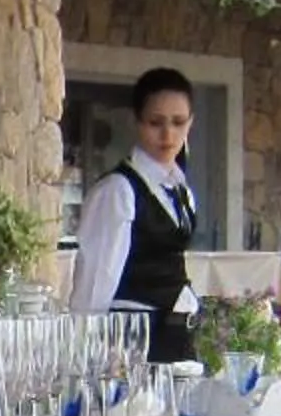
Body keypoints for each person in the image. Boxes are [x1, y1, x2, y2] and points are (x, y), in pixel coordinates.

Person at [68, 66, 202, 363]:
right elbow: (94, 284)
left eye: (178, 123)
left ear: (190, 123)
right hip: (131, 345)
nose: (168, 135)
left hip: (176, 340)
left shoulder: (182, 192)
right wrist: (80, 354)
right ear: (137, 122)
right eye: (156, 122)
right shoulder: (118, 191)